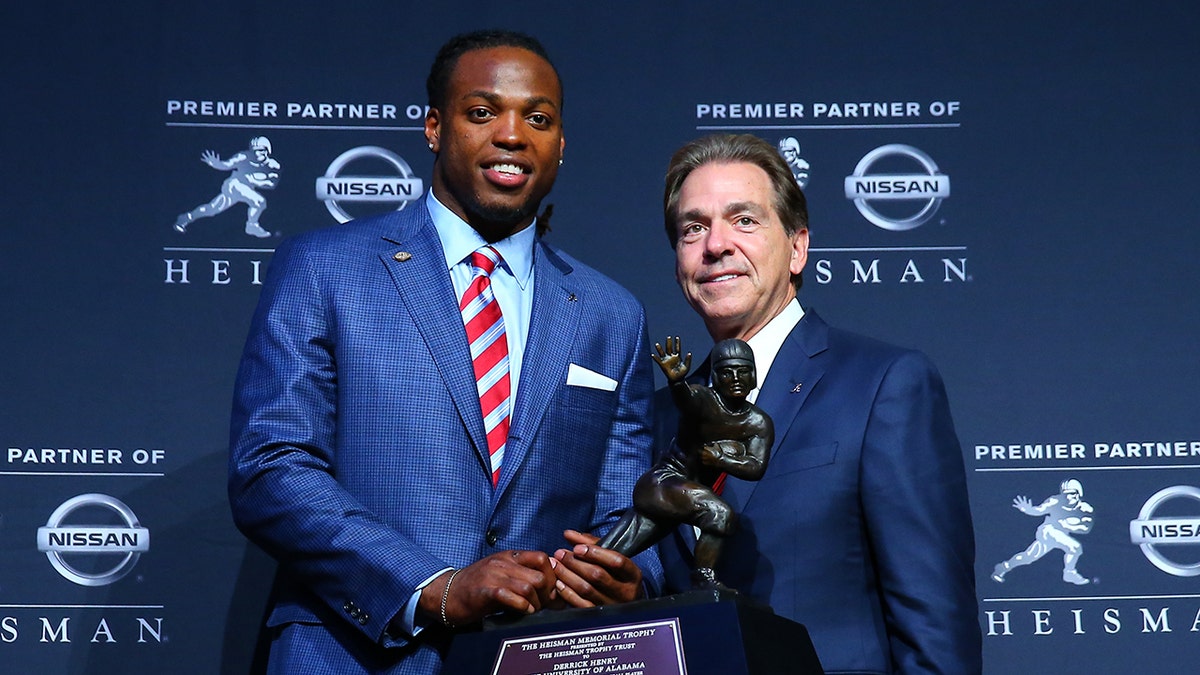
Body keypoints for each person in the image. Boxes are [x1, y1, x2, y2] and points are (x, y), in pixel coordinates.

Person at [228, 30, 661, 675]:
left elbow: (628, 508)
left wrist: (631, 579)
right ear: (434, 127)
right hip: (354, 655)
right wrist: (436, 587)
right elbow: (271, 467)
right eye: (482, 113)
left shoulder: (610, 313)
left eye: (537, 119)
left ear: (561, 146)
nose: (512, 135)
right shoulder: (326, 268)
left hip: (545, 659)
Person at [655, 133, 980, 674]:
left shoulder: (885, 385)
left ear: (798, 246)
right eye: (694, 228)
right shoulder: (663, 413)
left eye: (744, 220)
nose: (715, 245)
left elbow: (935, 626)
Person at [598, 337, 773, 589]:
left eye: (742, 371)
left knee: (609, 554)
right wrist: (677, 382)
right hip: (662, 483)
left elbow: (756, 466)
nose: (735, 378)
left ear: (754, 375)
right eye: (727, 372)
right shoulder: (704, 400)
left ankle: (568, 578)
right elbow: (687, 401)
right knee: (719, 513)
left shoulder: (758, 423)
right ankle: (703, 577)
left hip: (686, 495)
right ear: (715, 376)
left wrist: (722, 458)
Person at [992, 478, 1094, 585]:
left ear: (1079, 493)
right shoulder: (1055, 501)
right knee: (1075, 547)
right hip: (1048, 531)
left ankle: (1003, 567)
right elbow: (1039, 510)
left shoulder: (1085, 509)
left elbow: (1086, 528)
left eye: (1072, 493)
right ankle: (1069, 573)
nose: (1068, 497)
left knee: (1028, 557)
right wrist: (1028, 509)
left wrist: (1067, 525)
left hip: (1061, 534)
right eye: (1065, 494)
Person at [174, 136, 279, 238]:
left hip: (247, 188)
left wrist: (254, 181)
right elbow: (227, 165)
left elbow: (271, 184)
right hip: (234, 185)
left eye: (260, 150)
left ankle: (186, 218)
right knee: (259, 201)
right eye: (254, 150)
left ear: (267, 150)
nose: (257, 153)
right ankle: (252, 226)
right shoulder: (243, 157)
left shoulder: (273, 165)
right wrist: (217, 164)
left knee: (211, 209)